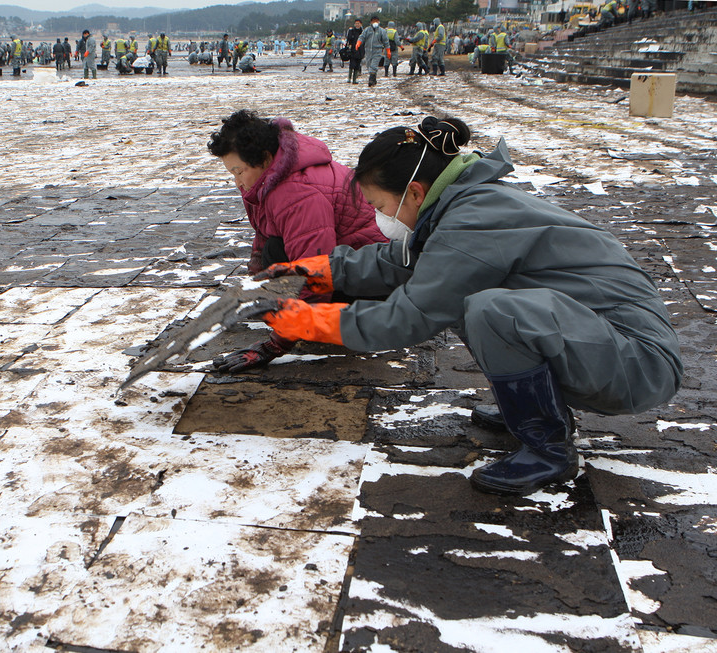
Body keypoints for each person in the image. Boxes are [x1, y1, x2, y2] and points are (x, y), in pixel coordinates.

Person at [245, 116, 682, 496]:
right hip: (594, 340)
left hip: (635, 362)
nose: (380, 217)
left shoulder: (474, 218)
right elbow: (398, 262)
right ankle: (535, 409)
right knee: (466, 300)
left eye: (380, 205)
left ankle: (548, 446)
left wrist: (307, 321)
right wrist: (318, 270)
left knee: (490, 310)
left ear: (414, 192)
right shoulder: (459, 205)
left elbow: (408, 318)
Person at [207, 110, 386, 371]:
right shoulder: (271, 177)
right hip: (346, 265)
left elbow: (314, 274)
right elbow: (265, 232)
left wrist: (274, 345)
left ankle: (334, 318)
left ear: (265, 158)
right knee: (273, 253)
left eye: (239, 171)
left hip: (374, 285)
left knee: (283, 269)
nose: (237, 182)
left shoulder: (297, 192)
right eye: (231, 173)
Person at [357, 16, 390, 87]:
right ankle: (374, 79)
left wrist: (388, 50)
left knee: (373, 65)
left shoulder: (382, 31)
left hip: (377, 51)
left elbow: (386, 41)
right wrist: (359, 43)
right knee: (369, 65)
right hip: (368, 51)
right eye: (373, 21)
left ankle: (371, 80)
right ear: (371, 22)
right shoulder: (367, 30)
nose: (375, 22)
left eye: (376, 21)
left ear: (379, 22)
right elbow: (362, 37)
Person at [345, 19, 363, 84]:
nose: (357, 25)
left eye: (358, 23)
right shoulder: (352, 31)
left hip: (360, 50)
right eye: (356, 23)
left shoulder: (363, 32)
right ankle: (349, 78)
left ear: (361, 24)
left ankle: (354, 79)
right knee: (352, 64)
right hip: (353, 50)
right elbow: (348, 40)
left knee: (357, 65)